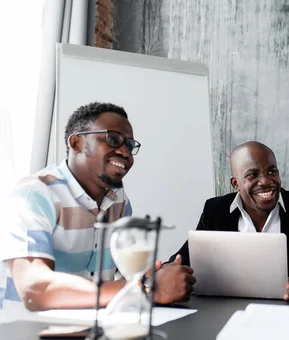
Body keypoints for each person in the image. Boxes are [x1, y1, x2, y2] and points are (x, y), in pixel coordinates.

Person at [0, 102, 195, 322]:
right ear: (76, 143)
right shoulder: (33, 195)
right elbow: (35, 289)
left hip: (91, 330)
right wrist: (147, 289)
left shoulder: (118, 199)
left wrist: (155, 276)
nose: (125, 152)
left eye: (130, 146)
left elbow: (129, 274)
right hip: (25, 337)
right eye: (113, 140)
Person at [169, 141, 289, 302]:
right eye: (252, 175)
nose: (265, 181)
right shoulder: (216, 211)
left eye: (272, 171)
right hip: (226, 313)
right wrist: (162, 275)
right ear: (235, 183)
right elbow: (182, 261)